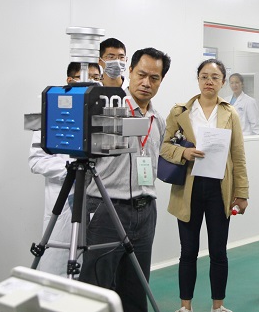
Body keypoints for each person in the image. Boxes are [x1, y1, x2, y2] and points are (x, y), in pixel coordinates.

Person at [78, 48, 170, 312]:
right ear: (129, 72)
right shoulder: (108, 110)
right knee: (97, 288)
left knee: (135, 289)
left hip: (145, 211)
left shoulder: (157, 120)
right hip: (107, 209)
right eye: (141, 75)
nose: (146, 83)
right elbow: (86, 163)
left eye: (154, 78)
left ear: (161, 81)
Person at [162, 59, 249, 312]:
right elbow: (164, 146)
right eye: (204, 76)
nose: (209, 81)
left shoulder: (230, 113)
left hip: (219, 190)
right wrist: (183, 153)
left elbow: (238, 155)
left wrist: (242, 193)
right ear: (198, 79)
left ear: (223, 82)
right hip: (187, 188)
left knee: (218, 251)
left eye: (214, 77)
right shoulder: (180, 112)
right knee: (188, 251)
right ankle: (185, 306)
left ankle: (217, 306)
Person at [28, 62, 100, 276]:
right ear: (70, 81)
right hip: (64, 200)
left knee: (95, 269)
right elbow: (36, 160)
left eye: (97, 78)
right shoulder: (51, 111)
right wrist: (71, 171)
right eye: (86, 76)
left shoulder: (102, 114)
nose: (92, 82)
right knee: (59, 268)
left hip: (97, 200)